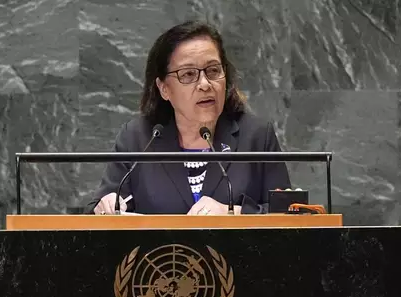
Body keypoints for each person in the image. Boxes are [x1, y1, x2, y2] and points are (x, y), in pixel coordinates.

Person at [87, 20, 291, 215]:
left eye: (213, 71)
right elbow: (97, 212)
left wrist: (237, 212)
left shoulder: (256, 136)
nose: (204, 84)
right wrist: (104, 206)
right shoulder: (137, 138)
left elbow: (291, 213)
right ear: (164, 89)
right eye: (188, 75)